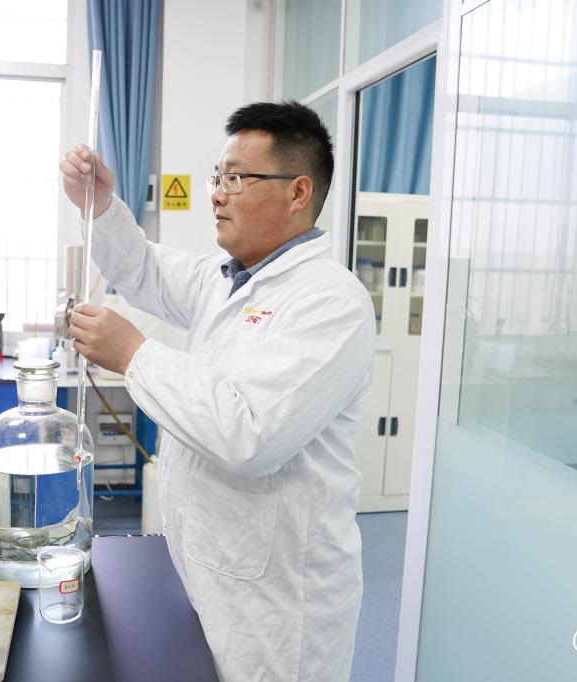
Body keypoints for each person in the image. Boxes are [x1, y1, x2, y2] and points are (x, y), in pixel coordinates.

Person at [60, 101, 375, 682]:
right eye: (217, 177)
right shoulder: (225, 279)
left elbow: (249, 435)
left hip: (274, 605)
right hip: (208, 569)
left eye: (236, 178)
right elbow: (143, 269)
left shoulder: (332, 302)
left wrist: (133, 355)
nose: (216, 195)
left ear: (298, 191)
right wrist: (99, 206)